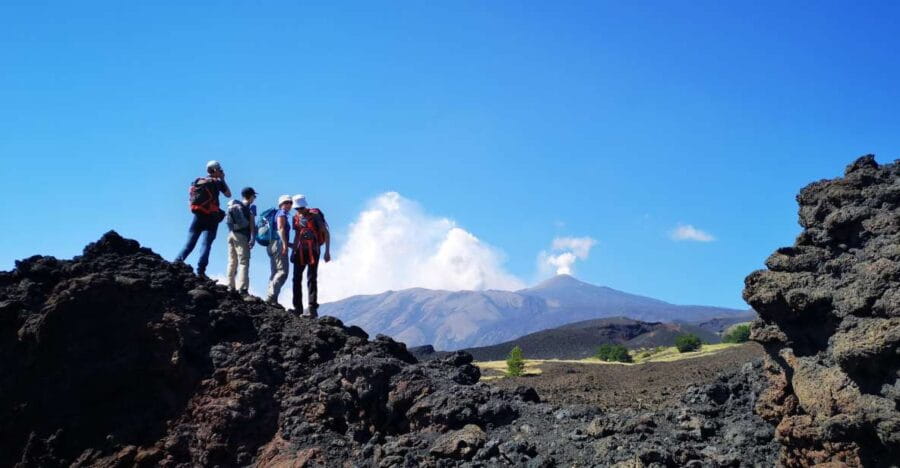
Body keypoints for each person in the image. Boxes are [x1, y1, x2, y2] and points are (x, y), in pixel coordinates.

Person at [175, 160, 231, 278]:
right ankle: (201, 271)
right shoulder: (217, 182)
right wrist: (222, 179)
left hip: (198, 214)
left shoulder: (198, 181)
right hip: (211, 217)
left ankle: (176, 262)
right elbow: (228, 194)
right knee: (206, 244)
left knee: (189, 243)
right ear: (215, 170)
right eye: (219, 169)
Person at [290, 194, 330, 318]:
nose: (299, 210)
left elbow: (326, 233)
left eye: (301, 208)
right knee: (296, 279)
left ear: (305, 206)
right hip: (300, 251)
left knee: (311, 278)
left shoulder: (315, 216)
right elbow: (297, 235)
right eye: (297, 208)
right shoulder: (296, 218)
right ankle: (298, 308)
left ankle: (312, 308)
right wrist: (293, 250)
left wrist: (327, 251)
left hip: (314, 250)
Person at [225, 186, 258, 294]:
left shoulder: (235, 205)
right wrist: (253, 238)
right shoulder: (249, 208)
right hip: (242, 236)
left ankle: (230, 286)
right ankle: (243, 288)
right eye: (254, 196)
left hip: (231, 234)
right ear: (251, 196)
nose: (254, 198)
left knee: (232, 261)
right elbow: (252, 225)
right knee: (244, 261)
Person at [265, 194, 293, 305]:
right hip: (278, 244)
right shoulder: (281, 213)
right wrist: (285, 245)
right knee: (283, 272)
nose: (289, 205)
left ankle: (273, 298)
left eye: (290, 203)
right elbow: (281, 229)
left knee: (275, 272)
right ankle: (271, 296)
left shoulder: (276, 214)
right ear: (281, 204)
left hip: (271, 245)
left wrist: (289, 244)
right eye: (286, 203)